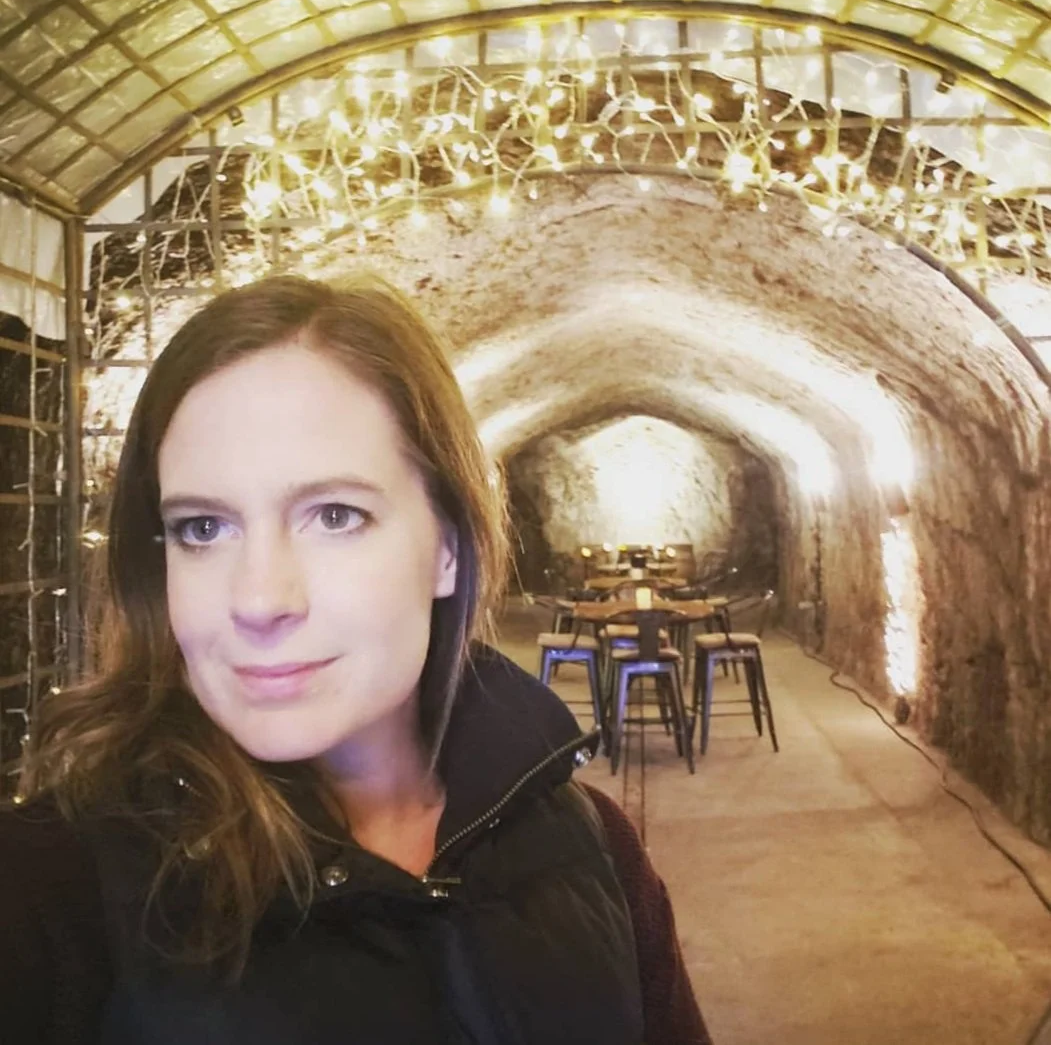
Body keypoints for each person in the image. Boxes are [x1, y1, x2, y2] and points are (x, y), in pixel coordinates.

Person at [0, 274, 712, 1044]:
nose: (260, 598)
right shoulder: (56, 883)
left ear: (447, 544)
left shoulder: (591, 846)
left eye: (334, 515)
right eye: (203, 528)